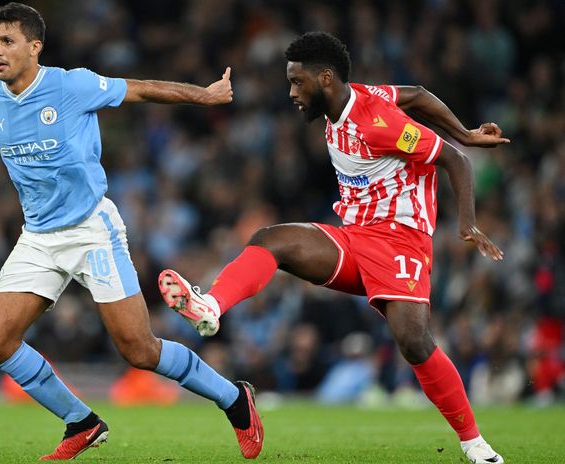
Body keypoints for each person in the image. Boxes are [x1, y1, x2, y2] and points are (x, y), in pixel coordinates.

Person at [0, 2, 263, 461]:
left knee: (139, 350)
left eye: (8, 41)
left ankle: (235, 400)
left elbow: (141, 90)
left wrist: (206, 94)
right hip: (38, 237)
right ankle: (82, 421)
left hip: (91, 231)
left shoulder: (70, 85)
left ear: (34, 47)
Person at [159, 32, 508, 464]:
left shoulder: (379, 123)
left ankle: (476, 445)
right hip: (354, 236)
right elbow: (416, 94)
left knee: (414, 342)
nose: (291, 93)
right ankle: (210, 306)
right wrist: (464, 130)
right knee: (271, 239)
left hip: (401, 238)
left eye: (297, 82)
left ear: (325, 79)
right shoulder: (355, 98)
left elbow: (454, 160)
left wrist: (467, 218)